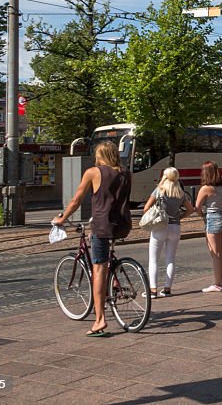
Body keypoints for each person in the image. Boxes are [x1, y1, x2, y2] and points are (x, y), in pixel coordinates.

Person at [51, 141, 132, 337]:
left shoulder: (93, 172)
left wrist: (62, 219)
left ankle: (99, 320)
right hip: (122, 225)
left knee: (98, 271)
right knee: (106, 258)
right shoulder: (126, 173)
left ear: (100, 156)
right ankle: (114, 282)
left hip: (102, 225)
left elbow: (76, 200)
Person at [143, 167, 194, 297]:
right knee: (170, 259)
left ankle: (153, 290)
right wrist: (180, 216)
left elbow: (146, 208)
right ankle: (167, 289)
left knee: (153, 260)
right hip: (175, 227)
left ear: (164, 176)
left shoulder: (159, 190)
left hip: (159, 227)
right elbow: (190, 209)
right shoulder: (180, 193)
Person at [194, 161, 222, 292]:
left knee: (215, 253)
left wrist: (203, 216)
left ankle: (217, 283)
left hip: (214, 218)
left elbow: (197, 207)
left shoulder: (205, 188)